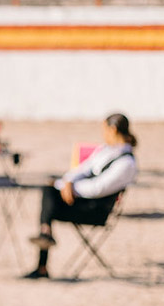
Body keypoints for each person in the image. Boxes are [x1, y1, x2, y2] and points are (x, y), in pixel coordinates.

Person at [23, 113, 138, 279]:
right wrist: (67, 182)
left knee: (50, 196)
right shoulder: (106, 150)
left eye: (104, 130)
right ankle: (45, 237)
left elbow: (99, 188)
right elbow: (83, 169)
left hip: (96, 210)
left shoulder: (127, 163)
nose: (103, 134)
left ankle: (43, 254)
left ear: (112, 130)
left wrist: (70, 188)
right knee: (48, 190)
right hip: (81, 199)